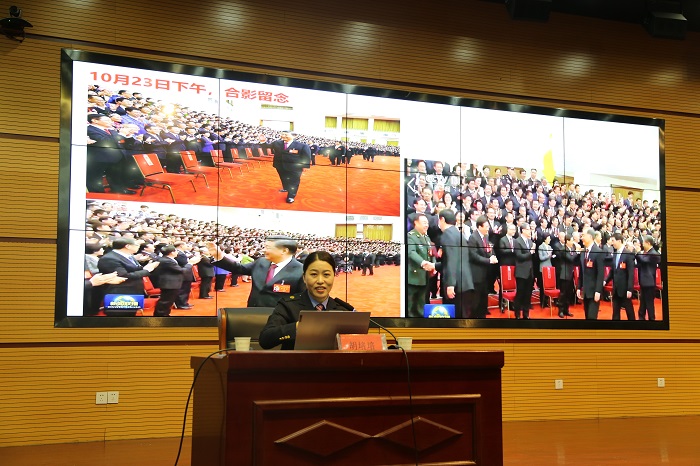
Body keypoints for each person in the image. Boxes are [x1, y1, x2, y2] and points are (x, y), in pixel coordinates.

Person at [258, 251, 354, 350]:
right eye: (314, 274)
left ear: (333, 276)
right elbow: (266, 339)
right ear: (304, 278)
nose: (320, 281)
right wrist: (298, 327)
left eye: (326, 274)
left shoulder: (343, 310)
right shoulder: (288, 306)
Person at [205, 235, 305, 307]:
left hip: (280, 318)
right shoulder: (261, 262)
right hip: (253, 312)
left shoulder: (301, 271)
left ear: (284, 251)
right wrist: (219, 256)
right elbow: (239, 268)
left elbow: (302, 301)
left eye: (268, 248)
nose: (264, 250)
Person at [437, 209, 474, 318]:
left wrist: (451, 284)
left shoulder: (447, 234)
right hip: (464, 282)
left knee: (454, 317)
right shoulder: (458, 233)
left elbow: (452, 260)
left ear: (442, 219)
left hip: (456, 285)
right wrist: (434, 266)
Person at [152, 246, 201, 316]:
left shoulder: (169, 259)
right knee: (165, 301)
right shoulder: (167, 260)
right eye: (176, 251)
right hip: (169, 283)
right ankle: (160, 315)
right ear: (172, 252)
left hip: (171, 283)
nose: (177, 252)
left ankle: (165, 314)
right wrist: (190, 263)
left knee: (169, 301)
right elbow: (181, 270)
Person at [467, 215, 499, 319]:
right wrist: (489, 260)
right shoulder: (473, 237)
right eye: (486, 227)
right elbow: (474, 256)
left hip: (485, 272)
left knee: (483, 297)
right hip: (476, 273)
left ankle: (482, 316)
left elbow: (488, 250)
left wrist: (492, 255)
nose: (488, 229)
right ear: (479, 226)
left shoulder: (486, 236)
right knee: (476, 299)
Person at [406, 214, 436, 318]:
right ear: (416, 223)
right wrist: (423, 263)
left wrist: (433, 265)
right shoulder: (410, 236)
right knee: (410, 305)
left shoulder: (426, 237)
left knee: (421, 304)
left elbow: (431, 253)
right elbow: (411, 252)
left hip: (424, 277)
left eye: (427, 223)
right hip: (413, 276)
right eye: (424, 223)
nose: (426, 225)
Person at [271, 131, 311, 203]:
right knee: (284, 179)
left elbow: (307, 156)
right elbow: (267, 147)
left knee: (294, 182)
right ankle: (286, 188)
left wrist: (306, 166)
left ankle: (291, 196)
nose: (283, 136)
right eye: (282, 134)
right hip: (280, 165)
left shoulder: (302, 146)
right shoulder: (276, 143)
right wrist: (262, 141)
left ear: (293, 136)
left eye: (286, 134)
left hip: (295, 167)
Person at [604, 233, 636, 320]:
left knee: (629, 311)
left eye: (613, 241)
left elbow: (631, 273)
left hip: (625, 289)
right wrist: (605, 281)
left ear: (619, 241)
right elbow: (612, 271)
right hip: (616, 288)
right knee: (615, 312)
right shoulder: (615, 254)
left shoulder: (628, 254)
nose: (612, 243)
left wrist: (630, 289)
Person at [577, 228, 605, 320]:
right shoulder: (583, 252)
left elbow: (600, 274)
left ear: (590, 237)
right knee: (587, 317)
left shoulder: (598, 252)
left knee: (592, 318)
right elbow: (581, 271)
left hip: (594, 292)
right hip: (585, 291)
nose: (581, 238)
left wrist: (598, 291)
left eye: (583, 235)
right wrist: (578, 287)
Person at [514, 223, 536, 319]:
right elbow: (519, 256)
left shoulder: (530, 241)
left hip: (530, 271)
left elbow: (532, 256)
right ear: (523, 230)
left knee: (528, 294)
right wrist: (530, 252)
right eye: (528, 229)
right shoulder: (517, 241)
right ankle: (517, 314)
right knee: (520, 293)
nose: (530, 231)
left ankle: (526, 314)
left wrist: (533, 251)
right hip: (521, 272)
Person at [636, 235, 661, 320]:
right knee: (643, 301)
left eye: (643, 242)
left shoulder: (653, 253)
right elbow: (640, 261)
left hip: (649, 282)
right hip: (644, 281)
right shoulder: (647, 253)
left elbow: (644, 260)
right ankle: (641, 317)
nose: (642, 244)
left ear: (648, 243)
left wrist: (638, 252)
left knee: (649, 302)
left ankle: (651, 319)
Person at [557, 233, 578, 318]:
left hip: (570, 273)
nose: (573, 242)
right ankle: (561, 310)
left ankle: (566, 310)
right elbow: (570, 258)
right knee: (563, 293)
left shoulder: (572, 248)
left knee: (569, 293)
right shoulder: (563, 249)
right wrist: (577, 252)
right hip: (564, 274)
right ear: (567, 241)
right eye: (572, 240)